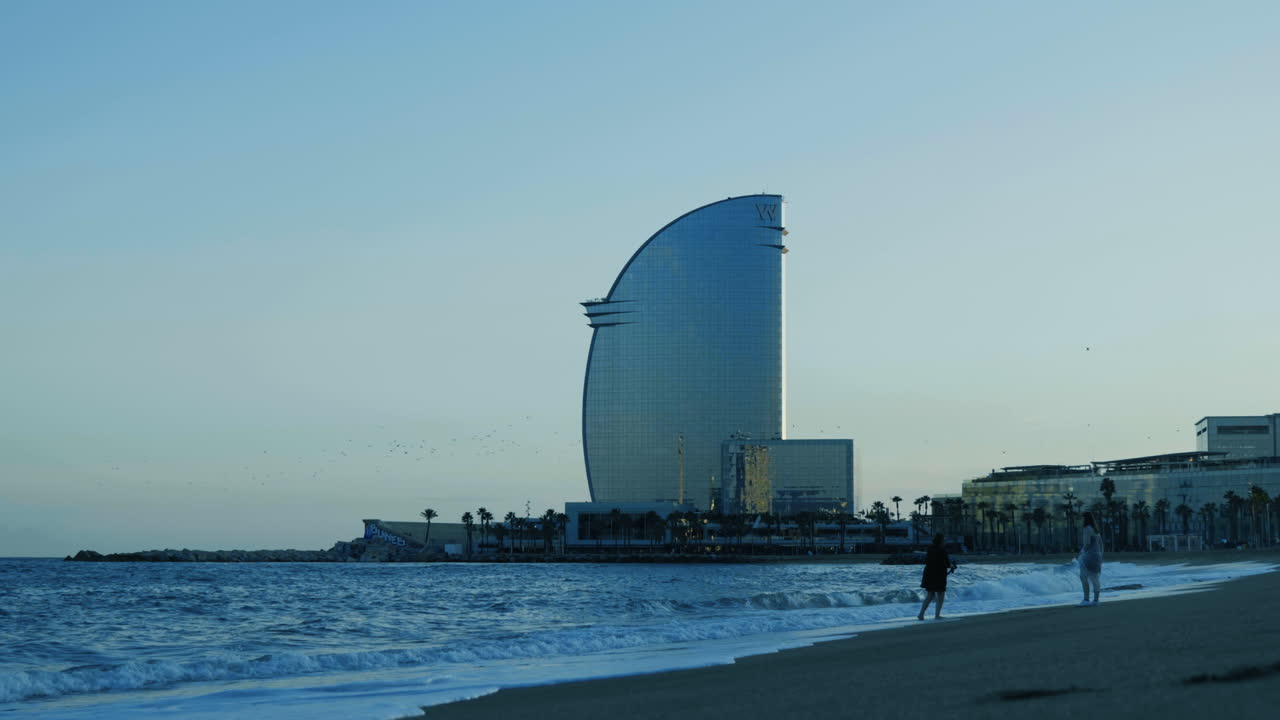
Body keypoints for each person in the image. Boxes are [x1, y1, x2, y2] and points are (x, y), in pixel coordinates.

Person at [917, 533, 958, 620]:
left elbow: (928, 561)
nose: (945, 541)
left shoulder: (930, 549)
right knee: (940, 594)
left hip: (928, 574)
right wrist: (952, 566)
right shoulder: (942, 550)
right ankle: (937, 615)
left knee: (930, 595)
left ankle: (921, 614)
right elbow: (946, 564)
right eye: (944, 540)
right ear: (941, 541)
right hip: (939, 575)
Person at [1078, 511, 1103, 606]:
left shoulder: (1087, 529)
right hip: (1097, 557)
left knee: (1083, 577)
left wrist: (1082, 552)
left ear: (1085, 519)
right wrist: (1101, 557)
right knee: (1095, 579)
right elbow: (1101, 544)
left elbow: (1087, 543)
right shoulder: (1096, 529)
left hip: (1088, 557)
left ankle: (1086, 600)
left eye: (1081, 518)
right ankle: (1096, 601)